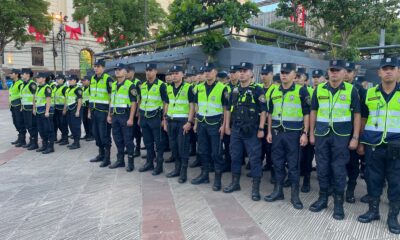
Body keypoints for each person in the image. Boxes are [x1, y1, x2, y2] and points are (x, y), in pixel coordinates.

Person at [309, 60, 361, 220]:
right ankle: (323, 198)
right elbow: (313, 112)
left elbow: (357, 114)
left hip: (341, 136)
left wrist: (355, 137)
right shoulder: (319, 89)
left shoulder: (352, 90)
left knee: (339, 170)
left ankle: (338, 203)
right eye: (332, 70)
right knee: (322, 167)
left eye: (338, 70)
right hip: (322, 134)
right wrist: (311, 133)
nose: (334, 73)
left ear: (344, 72)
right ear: (328, 71)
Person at [357, 57, 400, 234]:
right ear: (379, 72)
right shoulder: (370, 93)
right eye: (385, 68)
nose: (388, 71)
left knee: (396, 183)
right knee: (373, 180)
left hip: (397, 147)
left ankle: (392, 217)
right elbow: (364, 118)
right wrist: (360, 141)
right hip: (373, 145)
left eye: (392, 68)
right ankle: (373, 211)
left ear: (398, 71)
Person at [264, 63, 310, 209]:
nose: (283, 75)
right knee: (277, 163)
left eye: (287, 72)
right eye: (282, 72)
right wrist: (269, 131)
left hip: (293, 134)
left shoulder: (301, 91)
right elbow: (270, 113)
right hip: (277, 133)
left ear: (294, 75)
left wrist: (305, 133)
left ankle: (294, 196)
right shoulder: (274, 91)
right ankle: (278, 191)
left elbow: (307, 114)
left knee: (293, 165)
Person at [223, 62, 267, 201]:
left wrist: (261, 128)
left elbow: (264, 111)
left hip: (252, 131)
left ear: (251, 73)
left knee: (254, 159)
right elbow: (230, 109)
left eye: (245, 71)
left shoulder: (258, 90)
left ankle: (255, 189)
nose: (241, 73)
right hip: (236, 129)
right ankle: (235, 183)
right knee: (235, 156)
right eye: (240, 71)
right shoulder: (234, 90)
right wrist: (227, 126)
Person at [191, 62, 228, 191]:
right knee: (202, 150)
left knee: (216, 152)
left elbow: (226, 109)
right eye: (205, 71)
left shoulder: (222, 88)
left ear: (215, 72)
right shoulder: (199, 87)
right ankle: (204, 175)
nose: (206, 73)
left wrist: (224, 125)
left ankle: (217, 180)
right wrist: (195, 123)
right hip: (202, 122)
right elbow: (196, 106)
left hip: (215, 123)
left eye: (209, 70)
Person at [164, 65, 195, 183]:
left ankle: (183, 173)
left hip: (183, 122)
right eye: (172, 73)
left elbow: (192, 106)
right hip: (171, 121)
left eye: (177, 73)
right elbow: (167, 104)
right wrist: (165, 120)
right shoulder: (168, 88)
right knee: (174, 147)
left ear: (183, 74)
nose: (174, 75)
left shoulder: (188, 88)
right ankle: (176, 169)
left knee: (183, 147)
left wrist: (189, 122)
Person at [138, 63, 169, 175]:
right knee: (148, 142)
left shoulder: (161, 85)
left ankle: (159, 165)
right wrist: (139, 117)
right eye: (146, 70)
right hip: (145, 117)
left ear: (155, 71)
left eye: (150, 70)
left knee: (158, 143)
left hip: (156, 117)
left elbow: (166, 102)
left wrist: (164, 119)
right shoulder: (143, 85)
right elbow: (141, 101)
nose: (148, 72)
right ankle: (149, 163)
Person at [343, 61, 367, 204]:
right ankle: (337, 186)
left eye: (349, 71)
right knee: (339, 162)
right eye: (344, 70)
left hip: (354, 132)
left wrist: (359, 138)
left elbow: (364, 116)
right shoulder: (336, 87)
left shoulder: (360, 90)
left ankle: (350, 189)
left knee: (353, 163)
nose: (346, 73)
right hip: (339, 132)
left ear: (354, 74)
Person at [107, 63, 138, 172]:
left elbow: (134, 102)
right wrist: (109, 115)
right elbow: (111, 100)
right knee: (117, 139)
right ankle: (120, 161)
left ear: (125, 72)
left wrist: (131, 118)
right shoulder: (114, 84)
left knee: (128, 140)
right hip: (115, 115)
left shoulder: (130, 85)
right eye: (116, 69)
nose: (117, 71)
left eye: (120, 69)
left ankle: (130, 163)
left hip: (125, 116)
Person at [89, 59, 114, 167]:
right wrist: (90, 111)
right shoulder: (93, 79)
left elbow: (112, 97)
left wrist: (110, 114)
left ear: (103, 68)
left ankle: (107, 158)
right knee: (96, 134)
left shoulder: (108, 79)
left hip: (103, 112)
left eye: (98, 66)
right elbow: (91, 96)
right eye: (95, 66)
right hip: (94, 111)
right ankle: (101, 154)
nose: (96, 68)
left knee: (104, 135)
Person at [295, 67, 315, 193]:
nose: (296, 79)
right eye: (295, 77)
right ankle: (294, 178)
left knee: (307, 157)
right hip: (293, 129)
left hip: (306, 129)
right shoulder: (290, 91)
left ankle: (306, 180)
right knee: (294, 157)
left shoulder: (310, 92)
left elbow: (312, 113)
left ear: (305, 80)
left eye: (299, 77)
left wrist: (308, 132)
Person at [34, 72, 55, 154]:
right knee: (41, 129)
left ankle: (50, 146)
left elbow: (48, 100)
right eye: (37, 78)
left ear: (43, 78)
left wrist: (47, 111)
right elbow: (36, 99)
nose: (37, 79)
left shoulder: (47, 88)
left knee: (48, 128)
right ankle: (44, 145)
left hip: (46, 111)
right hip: (39, 111)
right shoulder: (38, 87)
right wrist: (34, 109)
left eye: (38, 77)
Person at [20, 68, 38, 150]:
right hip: (25, 107)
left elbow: (35, 96)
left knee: (32, 125)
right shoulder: (24, 84)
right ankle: (31, 141)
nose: (21, 75)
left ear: (27, 74)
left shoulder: (32, 84)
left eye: (23, 74)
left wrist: (34, 108)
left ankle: (34, 143)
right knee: (28, 125)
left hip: (31, 108)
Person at [126, 64, 142, 157]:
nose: (127, 73)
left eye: (128, 71)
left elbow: (140, 98)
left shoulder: (137, 83)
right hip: (126, 111)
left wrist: (138, 111)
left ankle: (138, 148)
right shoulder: (125, 82)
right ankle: (129, 147)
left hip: (135, 110)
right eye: (126, 71)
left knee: (136, 131)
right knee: (128, 132)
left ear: (133, 72)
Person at [64, 75, 83, 150]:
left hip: (75, 109)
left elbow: (80, 100)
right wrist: (64, 109)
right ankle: (74, 141)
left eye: (71, 80)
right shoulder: (68, 89)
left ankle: (77, 143)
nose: (69, 81)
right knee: (71, 125)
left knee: (76, 126)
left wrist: (78, 110)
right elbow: (66, 100)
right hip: (69, 109)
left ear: (75, 81)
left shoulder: (78, 89)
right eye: (68, 80)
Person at [8, 69, 26, 147]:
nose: (10, 75)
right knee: (15, 122)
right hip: (13, 105)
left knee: (20, 122)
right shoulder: (13, 83)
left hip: (18, 105)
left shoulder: (20, 83)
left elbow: (22, 95)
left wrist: (21, 105)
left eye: (11, 73)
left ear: (16, 74)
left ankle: (22, 140)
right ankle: (20, 137)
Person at [53, 74, 69, 145]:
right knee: (58, 123)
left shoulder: (65, 88)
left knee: (63, 124)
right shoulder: (56, 87)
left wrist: (65, 109)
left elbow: (66, 99)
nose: (57, 80)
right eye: (57, 79)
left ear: (63, 80)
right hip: (56, 108)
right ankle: (63, 137)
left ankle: (65, 139)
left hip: (62, 108)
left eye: (59, 79)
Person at [81, 75, 93, 141]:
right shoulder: (83, 88)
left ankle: (92, 135)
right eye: (82, 80)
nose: (83, 82)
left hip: (89, 107)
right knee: (84, 121)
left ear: (88, 80)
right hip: (84, 107)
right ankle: (87, 134)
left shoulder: (90, 88)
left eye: (84, 80)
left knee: (89, 122)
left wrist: (89, 110)